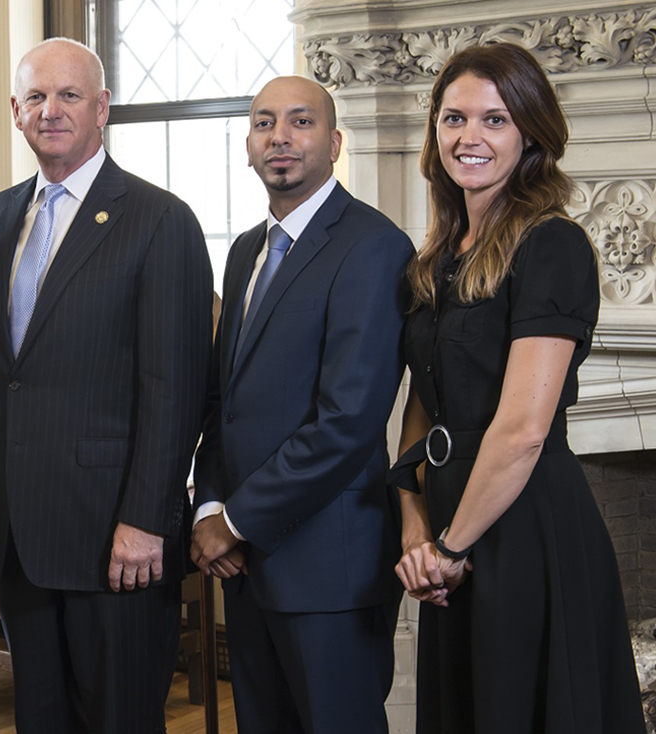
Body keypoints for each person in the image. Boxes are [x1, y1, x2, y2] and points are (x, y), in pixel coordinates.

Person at [391, 42, 642, 733]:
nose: (469, 137)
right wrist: (414, 526)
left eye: (494, 120)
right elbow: (424, 400)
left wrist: (449, 548)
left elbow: (524, 429)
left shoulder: (552, 245)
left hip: (524, 529)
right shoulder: (435, 260)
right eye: (453, 118)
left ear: (530, 132)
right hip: (450, 530)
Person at [0, 38, 213, 733]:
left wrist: (143, 518)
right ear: (16, 111)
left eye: (69, 95)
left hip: (116, 537)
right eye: (36, 97)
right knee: (41, 721)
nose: (52, 110)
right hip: (18, 533)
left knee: (118, 721)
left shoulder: (160, 220)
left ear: (100, 108)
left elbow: (175, 389)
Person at [189, 75, 413, 734]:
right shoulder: (243, 253)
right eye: (263, 123)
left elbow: (347, 422)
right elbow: (222, 403)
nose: (279, 136)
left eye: (300, 122)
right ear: (248, 146)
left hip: (328, 570)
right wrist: (208, 503)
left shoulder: (374, 247)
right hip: (250, 568)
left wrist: (233, 521)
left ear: (335, 141)